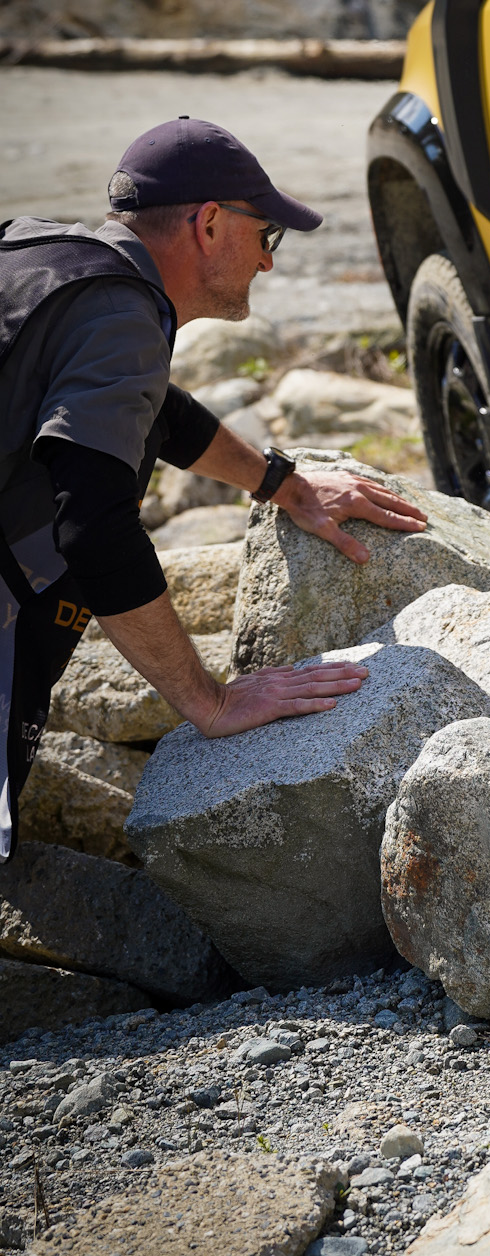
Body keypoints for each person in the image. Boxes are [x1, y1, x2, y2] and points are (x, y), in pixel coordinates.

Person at [0, 116, 427, 860]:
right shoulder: (120, 315)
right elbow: (94, 526)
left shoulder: (46, 258)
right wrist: (211, 700)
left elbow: (150, 411)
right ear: (207, 223)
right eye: (267, 236)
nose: (267, 263)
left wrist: (284, 485)